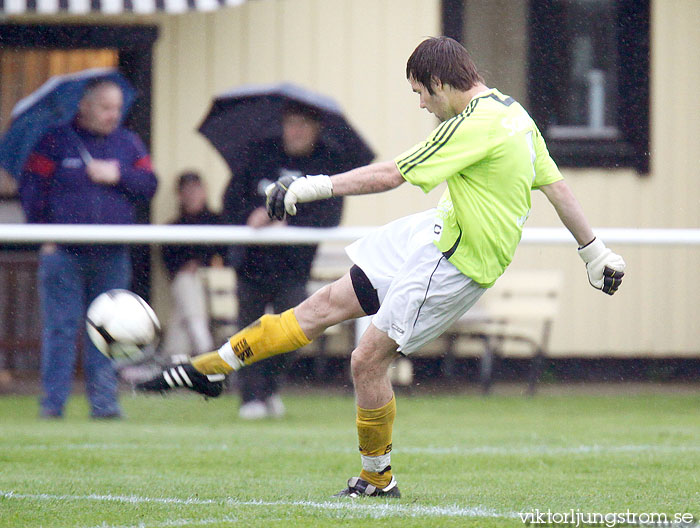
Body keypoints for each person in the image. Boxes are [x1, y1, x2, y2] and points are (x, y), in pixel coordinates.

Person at [137, 37, 625, 497]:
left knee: (365, 361)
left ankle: (378, 479)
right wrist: (594, 250)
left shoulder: (471, 125)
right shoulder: (512, 113)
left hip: (456, 261)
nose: (420, 104)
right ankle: (212, 369)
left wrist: (311, 186)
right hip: (433, 233)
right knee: (323, 304)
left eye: (419, 92)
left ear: (439, 81)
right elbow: (556, 185)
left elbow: (391, 174)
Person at [20, 79, 157, 419]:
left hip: (111, 254)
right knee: (61, 330)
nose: (114, 114)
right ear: (85, 106)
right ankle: (53, 405)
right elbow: (31, 190)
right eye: (106, 107)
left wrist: (118, 174)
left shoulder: (129, 143)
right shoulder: (54, 141)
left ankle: (105, 405)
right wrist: (44, 235)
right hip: (63, 254)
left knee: (109, 332)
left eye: (117, 107)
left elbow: (150, 184)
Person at [221, 102, 349, 420]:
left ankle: (270, 387)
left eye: (303, 125)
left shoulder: (325, 162)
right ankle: (250, 397)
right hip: (252, 262)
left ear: (316, 130)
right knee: (248, 330)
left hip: (293, 266)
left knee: (293, 332)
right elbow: (232, 201)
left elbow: (329, 215)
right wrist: (251, 218)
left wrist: (287, 223)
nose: (296, 132)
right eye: (291, 124)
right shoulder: (259, 155)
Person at [160, 171, 224, 362]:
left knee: (184, 305)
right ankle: (205, 350)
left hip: (217, 288)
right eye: (186, 190)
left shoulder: (219, 222)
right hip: (189, 286)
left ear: (204, 192)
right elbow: (171, 266)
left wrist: (203, 266)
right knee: (186, 283)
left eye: (196, 189)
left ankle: (173, 359)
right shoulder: (172, 229)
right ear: (179, 195)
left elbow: (225, 255)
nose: (192, 194)